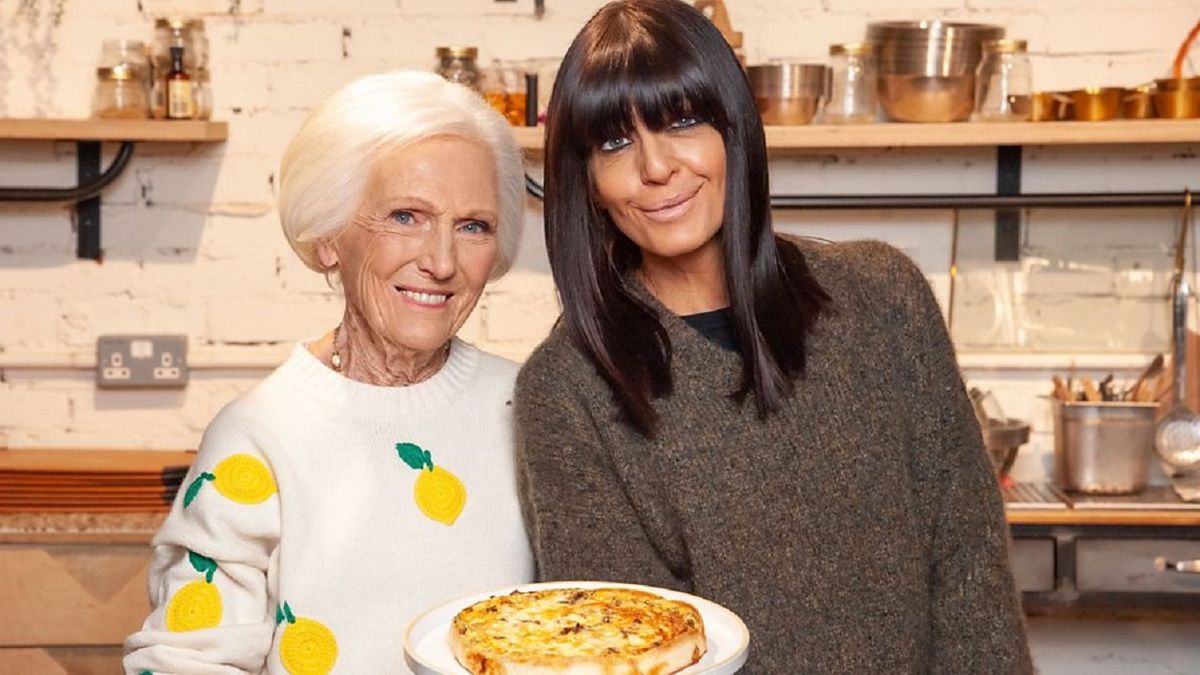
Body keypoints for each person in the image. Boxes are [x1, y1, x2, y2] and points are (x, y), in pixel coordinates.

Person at [513, 0, 1033, 671]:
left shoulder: (883, 297)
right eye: (615, 143)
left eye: (681, 121)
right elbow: (638, 652)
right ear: (588, 181)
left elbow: (968, 561)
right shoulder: (566, 390)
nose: (656, 166)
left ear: (734, 128)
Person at [124, 70, 533, 674]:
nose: (442, 261)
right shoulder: (258, 436)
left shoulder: (531, 406)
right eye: (405, 217)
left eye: (473, 226)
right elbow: (184, 661)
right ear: (327, 238)